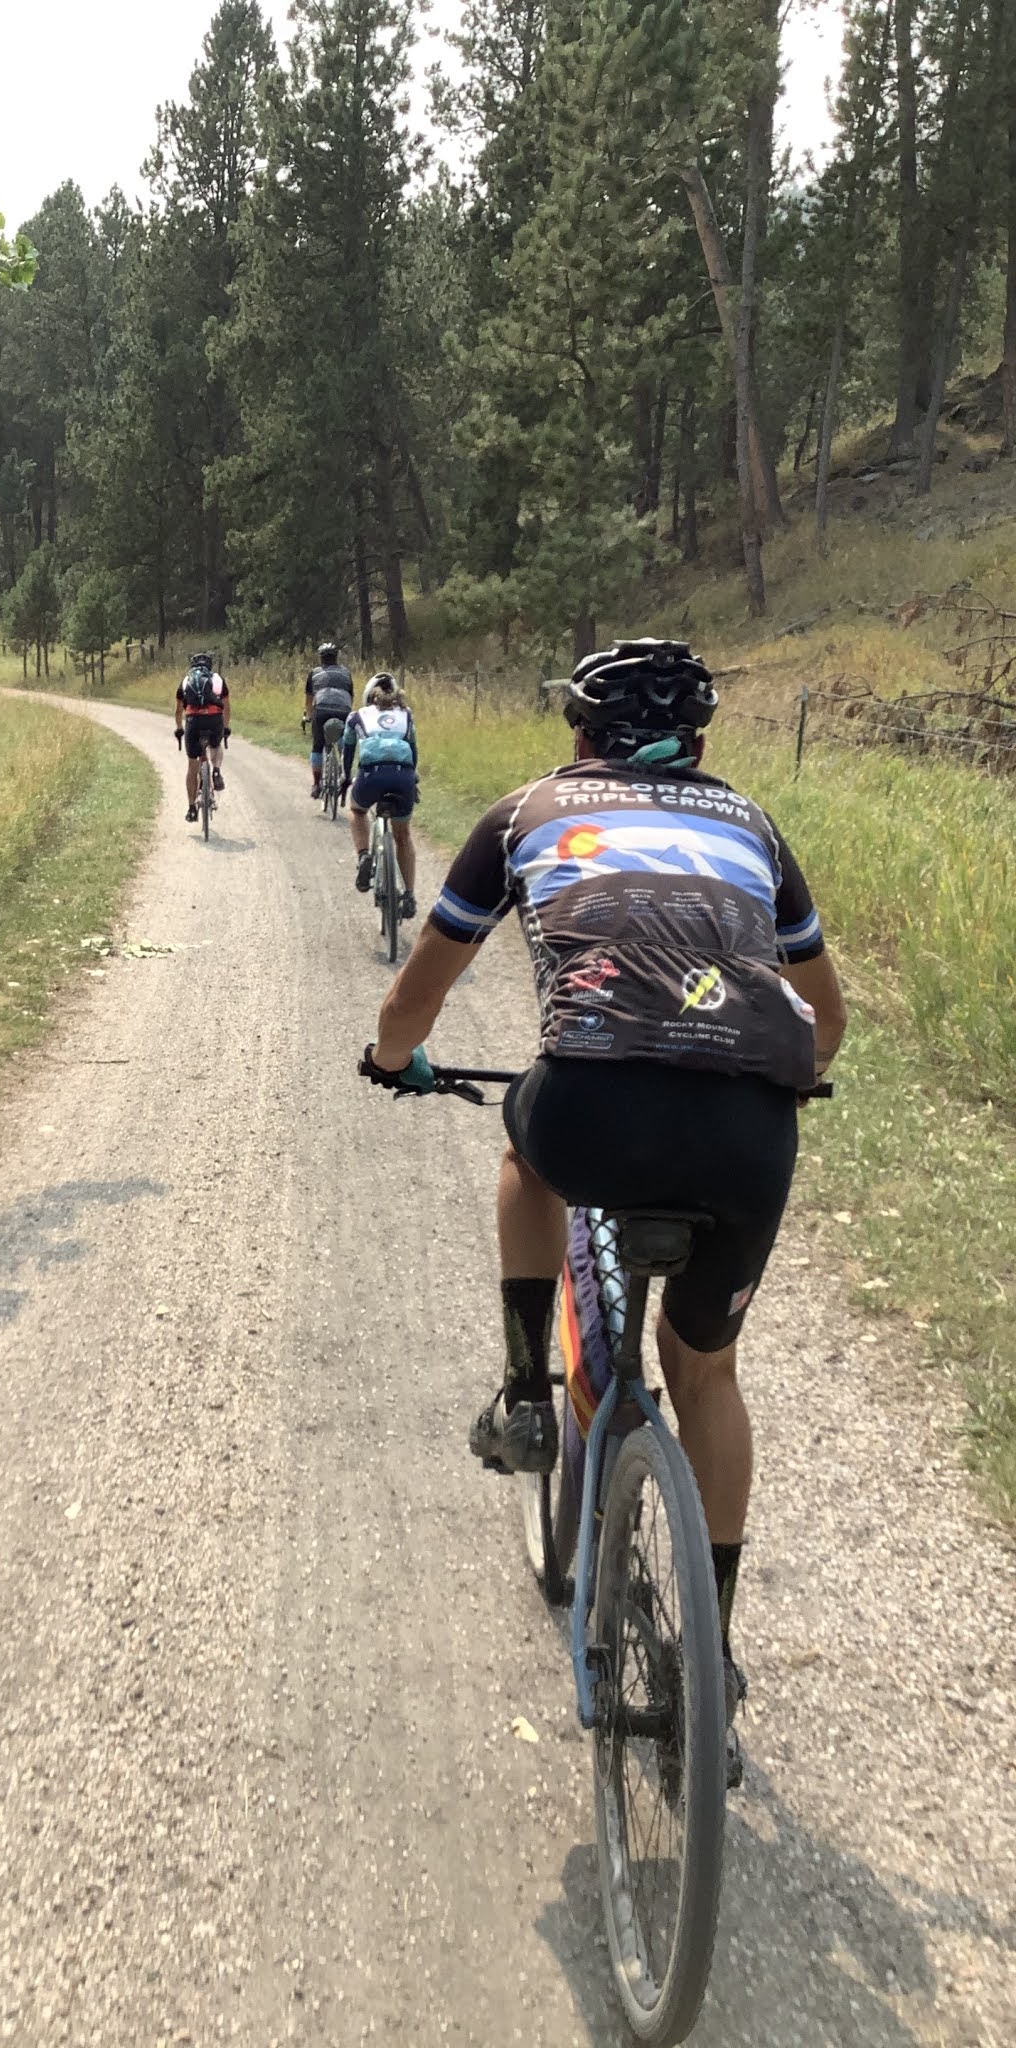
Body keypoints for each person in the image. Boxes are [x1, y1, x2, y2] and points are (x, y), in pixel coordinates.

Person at [359, 638, 846, 1770]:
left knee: (528, 1159)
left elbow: (417, 993)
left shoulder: (527, 810)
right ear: (704, 742)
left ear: (578, 734)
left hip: (590, 1109)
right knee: (707, 1368)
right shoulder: (755, 827)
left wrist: (395, 1058)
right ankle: (711, 1657)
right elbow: (823, 1018)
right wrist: (788, 1075)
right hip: (746, 1134)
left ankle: (530, 1391)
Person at [343, 674, 419, 919]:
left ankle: (364, 855)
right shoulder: (406, 715)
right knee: (403, 835)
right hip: (402, 776)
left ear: (368, 697)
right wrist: (412, 779)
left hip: (371, 775)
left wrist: (346, 777)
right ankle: (408, 895)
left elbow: (348, 749)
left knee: (357, 810)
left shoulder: (357, 716)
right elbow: (413, 750)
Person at [174, 652, 229, 821]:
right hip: (213, 720)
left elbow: (178, 712)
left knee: (192, 766)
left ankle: (191, 809)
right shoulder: (218, 680)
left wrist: (179, 728)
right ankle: (216, 771)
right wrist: (225, 728)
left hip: (193, 721)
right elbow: (226, 708)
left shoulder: (185, 681)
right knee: (215, 746)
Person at [303, 641, 354, 798]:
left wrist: (308, 716)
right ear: (336, 658)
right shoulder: (346, 673)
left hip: (322, 709)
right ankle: (344, 771)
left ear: (321, 658)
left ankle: (316, 785)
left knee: (317, 746)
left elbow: (309, 700)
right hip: (344, 709)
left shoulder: (314, 673)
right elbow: (351, 695)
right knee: (345, 743)